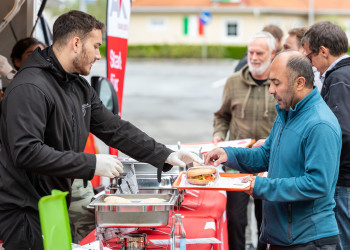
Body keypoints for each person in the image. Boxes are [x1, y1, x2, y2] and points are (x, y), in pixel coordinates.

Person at [0, 10, 202, 250]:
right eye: (95, 46)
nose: (98, 55)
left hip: (53, 202)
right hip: (24, 210)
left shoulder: (77, 85)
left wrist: (166, 155)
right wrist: (92, 163)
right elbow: (26, 152)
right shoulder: (30, 87)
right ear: (76, 43)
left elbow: (115, 128)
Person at [206, 50, 342, 249]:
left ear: (300, 83)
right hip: (281, 236)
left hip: (308, 240)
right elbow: (265, 155)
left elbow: (317, 184)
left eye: (276, 83)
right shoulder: (286, 113)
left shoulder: (320, 124)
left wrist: (261, 186)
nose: (271, 90)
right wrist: (229, 154)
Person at [213, 31, 277, 250]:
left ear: (273, 54)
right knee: (236, 220)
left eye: (260, 53)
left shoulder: (280, 84)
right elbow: (222, 115)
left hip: (269, 165)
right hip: (237, 164)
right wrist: (218, 134)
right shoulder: (233, 82)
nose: (255, 57)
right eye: (251, 52)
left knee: (266, 220)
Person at [301, 21, 350, 250]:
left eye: (310, 57)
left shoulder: (338, 79)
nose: (311, 64)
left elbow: (341, 131)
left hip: (343, 179)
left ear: (323, 51)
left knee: (342, 240)